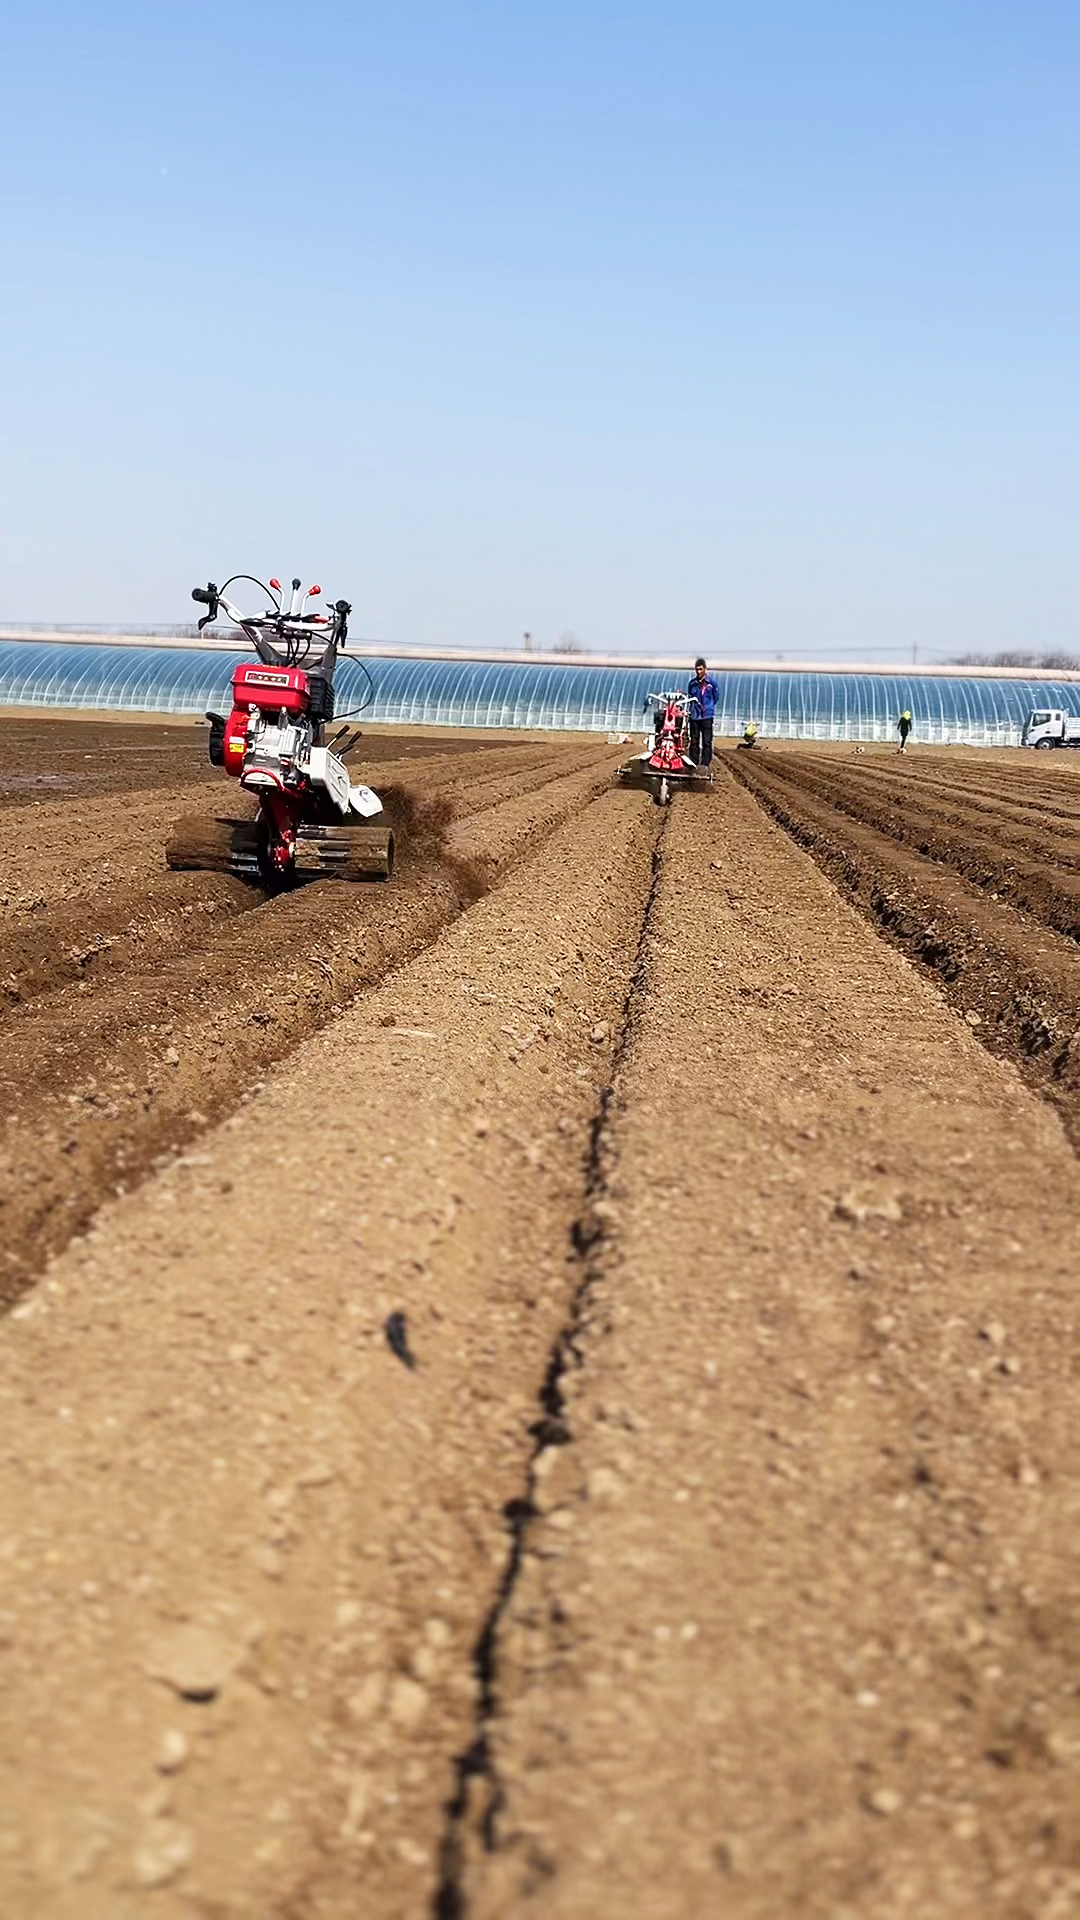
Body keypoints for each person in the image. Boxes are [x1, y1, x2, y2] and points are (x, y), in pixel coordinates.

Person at [687, 657, 720, 768]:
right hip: (695, 716)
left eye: (701, 669)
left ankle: (705, 763)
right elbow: (690, 698)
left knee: (706, 741)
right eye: (697, 669)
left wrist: (707, 707)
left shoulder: (712, 684)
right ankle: (694, 763)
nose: (699, 672)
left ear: (705, 669)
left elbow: (716, 698)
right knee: (694, 741)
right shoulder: (692, 684)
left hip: (706, 716)